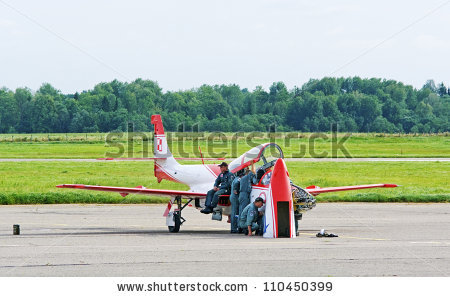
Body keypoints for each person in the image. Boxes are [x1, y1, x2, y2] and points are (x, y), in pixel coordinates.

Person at [229, 169, 244, 233]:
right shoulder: (238, 179)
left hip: (233, 197)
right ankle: (234, 228)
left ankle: (234, 228)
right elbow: (236, 185)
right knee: (235, 213)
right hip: (235, 197)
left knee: (234, 212)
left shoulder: (235, 178)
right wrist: (236, 190)